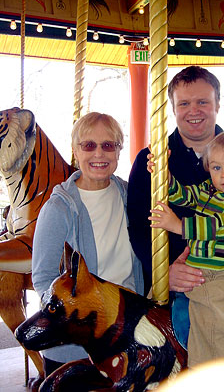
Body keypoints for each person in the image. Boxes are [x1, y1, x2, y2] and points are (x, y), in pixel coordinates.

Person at [127, 65, 224, 305]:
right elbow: (138, 226)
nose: (193, 111)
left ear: (217, 105)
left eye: (202, 102)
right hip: (171, 286)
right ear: (173, 108)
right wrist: (164, 271)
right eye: (184, 104)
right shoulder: (151, 161)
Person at [32, 112, 144, 377]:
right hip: (78, 337)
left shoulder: (131, 195)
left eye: (108, 145)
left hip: (124, 329)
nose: (99, 154)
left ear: (118, 150)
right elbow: (43, 276)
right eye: (89, 145)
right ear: (75, 150)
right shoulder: (59, 208)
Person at [147, 131, 224, 366]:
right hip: (199, 268)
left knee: (210, 320)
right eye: (216, 168)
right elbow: (183, 195)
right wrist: (164, 176)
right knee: (149, 301)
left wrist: (179, 226)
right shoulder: (209, 191)